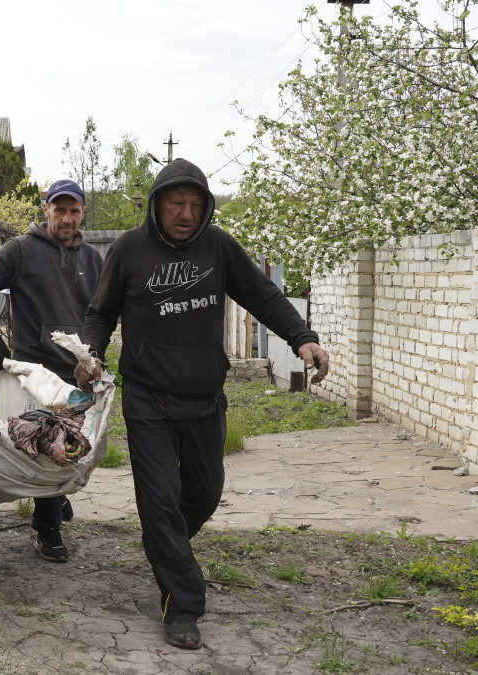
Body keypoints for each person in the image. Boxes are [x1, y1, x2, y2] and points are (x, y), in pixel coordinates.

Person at [76, 158, 330, 650]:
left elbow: (264, 296)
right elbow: (100, 312)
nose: (186, 213)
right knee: (160, 500)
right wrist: (90, 353)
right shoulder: (129, 249)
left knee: (204, 494)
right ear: (157, 204)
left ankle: (164, 547)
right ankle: (183, 604)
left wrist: (303, 338)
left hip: (205, 397)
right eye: (176, 203)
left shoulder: (219, 247)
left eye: (195, 204)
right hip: (148, 398)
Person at [0, 178, 103, 564]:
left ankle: (55, 497)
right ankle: (47, 529)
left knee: (72, 445)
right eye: (60, 210)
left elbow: (103, 312)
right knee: (46, 447)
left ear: (82, 212)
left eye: (74, 210)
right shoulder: (21, 250)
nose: (67, 217)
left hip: (77, 371)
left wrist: (94, 356)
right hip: (36, 371)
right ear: (46, 210)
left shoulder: (93, 259)